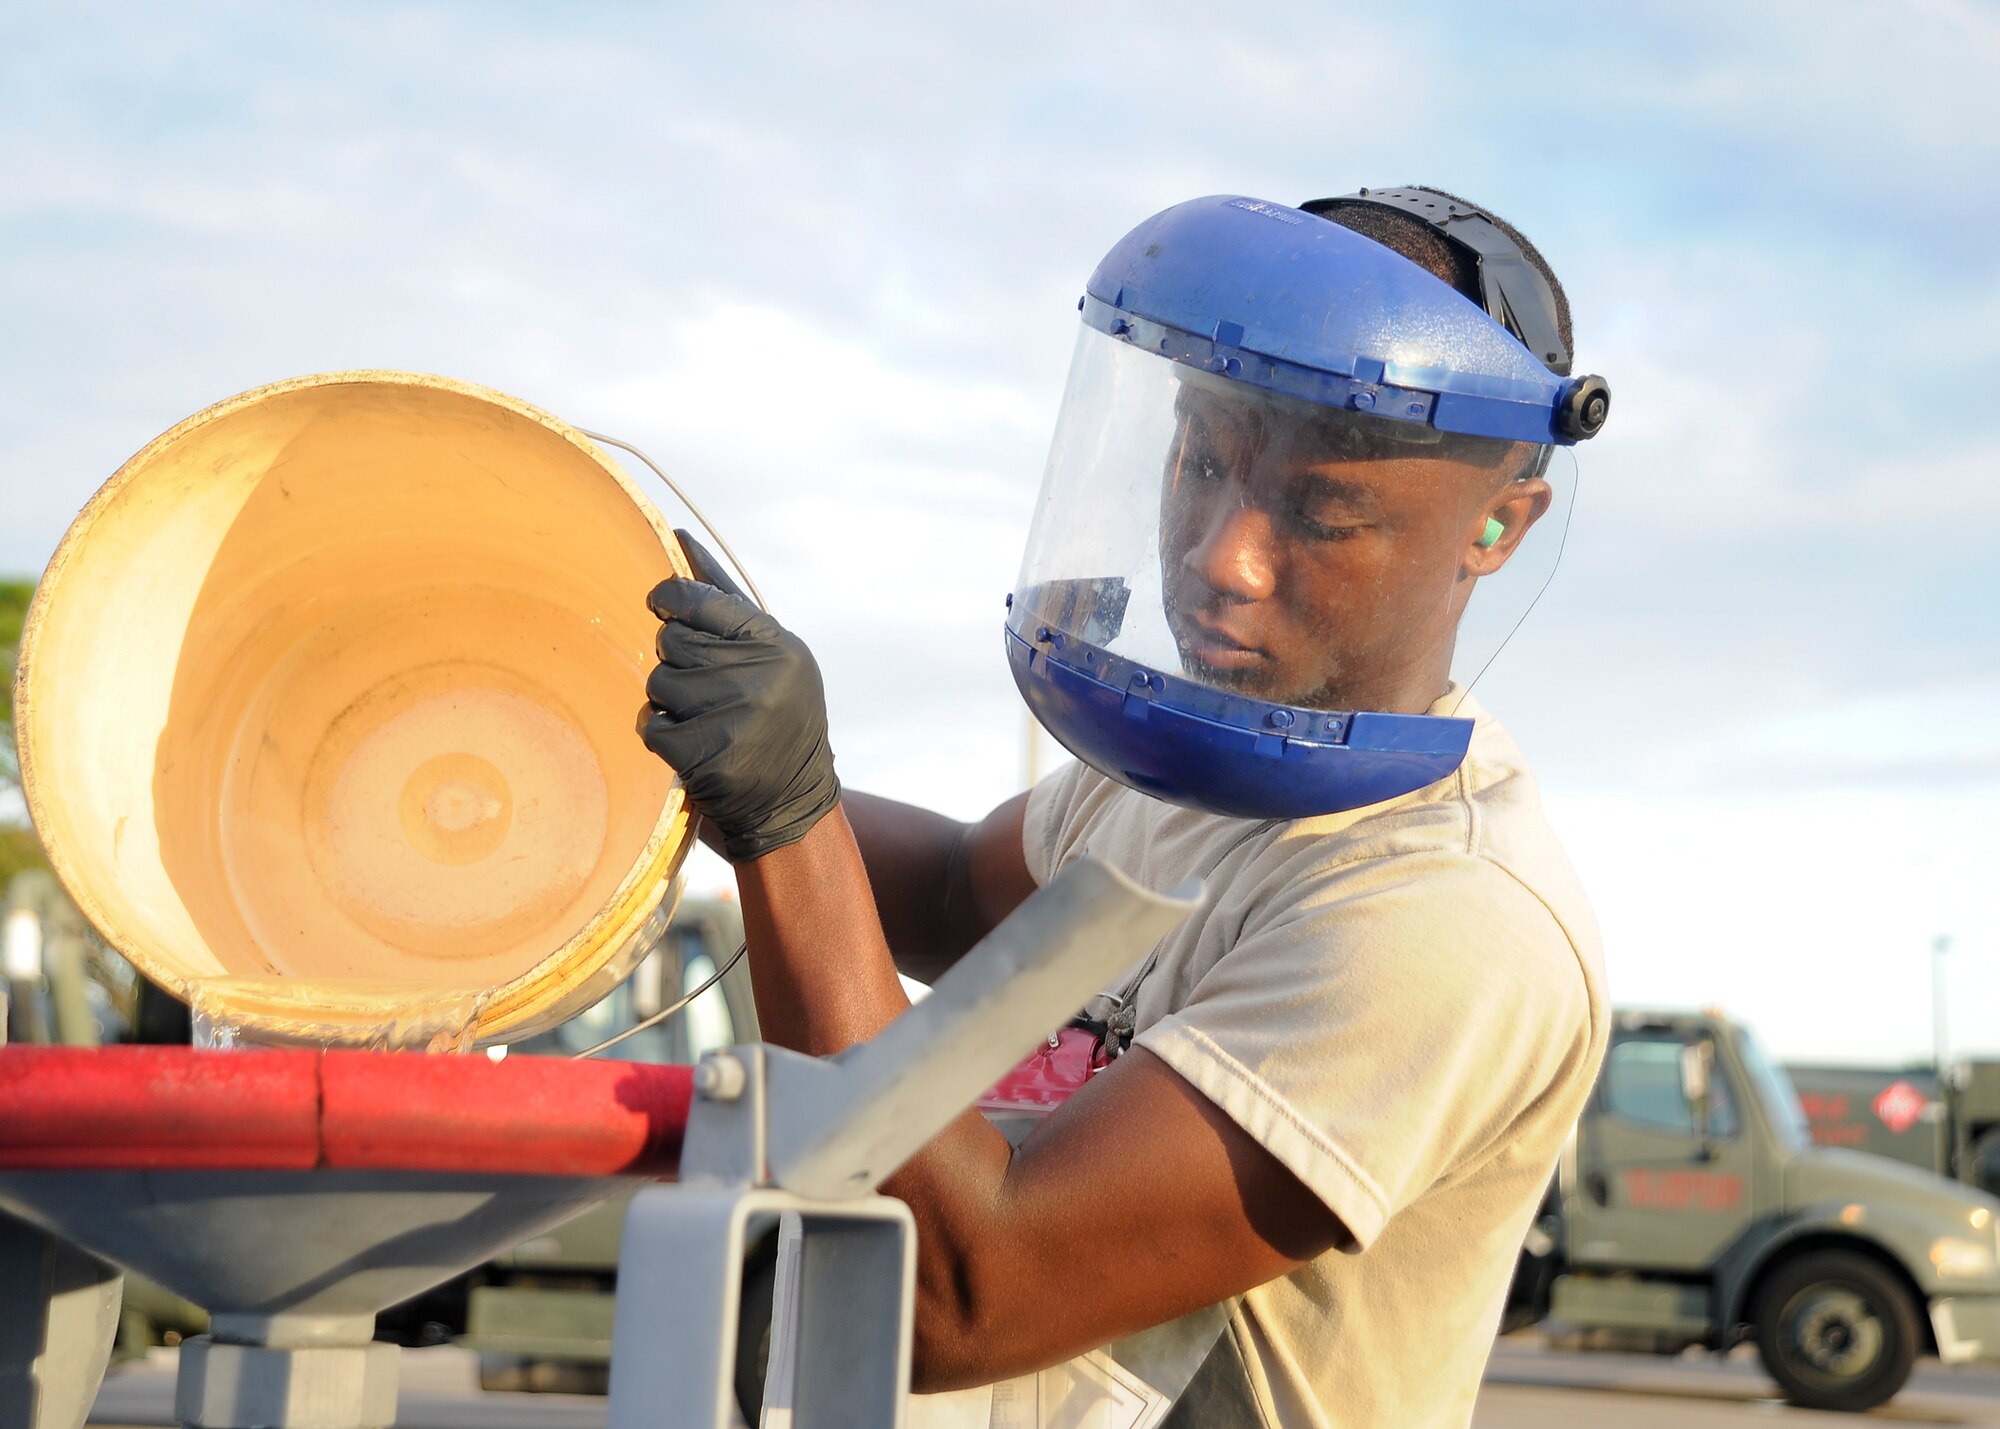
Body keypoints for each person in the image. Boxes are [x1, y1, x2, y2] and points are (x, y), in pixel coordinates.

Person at [639, 186, 1612, 1427]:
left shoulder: (1442, 918)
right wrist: (666, 756)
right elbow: (945, 893)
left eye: (1321, 513)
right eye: (1202, 460)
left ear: (1496, 523)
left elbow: (958, 1293)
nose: (1220, 555)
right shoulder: (1198, 773)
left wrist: (783, 817)